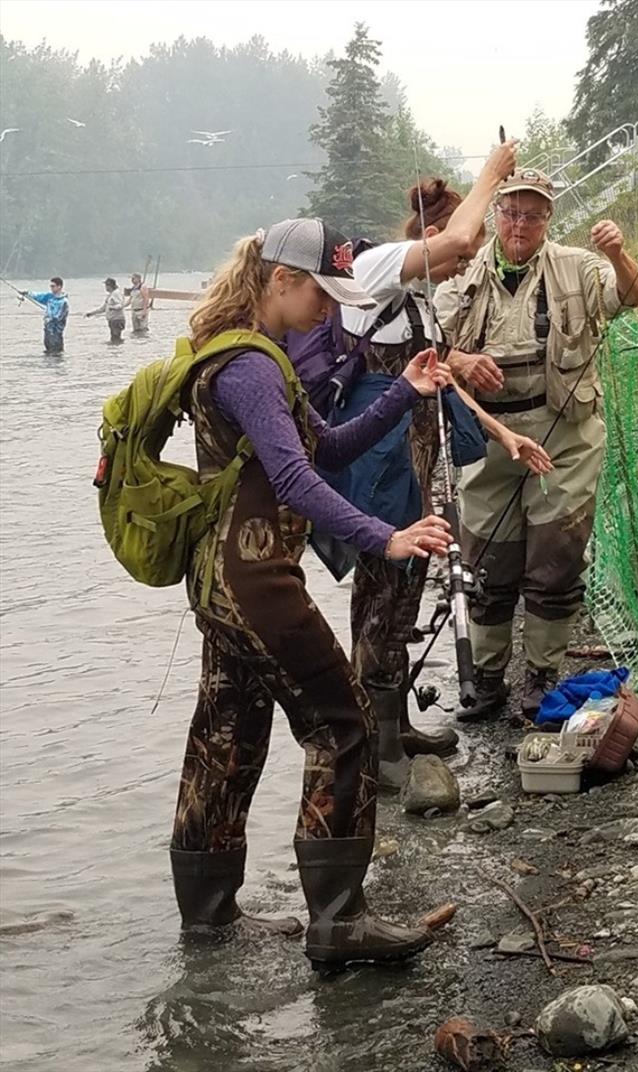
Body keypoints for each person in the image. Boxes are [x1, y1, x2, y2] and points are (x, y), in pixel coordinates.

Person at [171, 216, 455, 971]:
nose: (329, 311)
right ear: (279, 281)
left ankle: (207, 922)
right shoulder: (253, 369)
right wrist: (385, 537)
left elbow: (324, 447)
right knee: (343, 721)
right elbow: (297, 480)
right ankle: (338, 922)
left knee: (226, 733)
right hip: (257, 581)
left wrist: (403, 389)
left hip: (218, 587)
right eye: (320, 295)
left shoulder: (239, 355)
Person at [335, 142, 552, 790]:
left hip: (413, 467)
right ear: (430, 238)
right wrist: (492, 173)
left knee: (404, 597)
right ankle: (374, 752)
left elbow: (444, 383)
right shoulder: (372, 275)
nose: (466, 256)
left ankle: (395, 723)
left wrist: (503, 434)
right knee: (377, 601)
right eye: (460, 249)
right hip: (376, 472)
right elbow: (459, 237)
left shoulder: (420, 303)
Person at [436, 168, 638, 722]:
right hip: (488, 443)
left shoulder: (579, 266)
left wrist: (620, 254)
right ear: (495, 216)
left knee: (555, 563)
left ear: (548, 218)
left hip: (566, 436)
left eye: (533, 214)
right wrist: (460, 360)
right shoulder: (460, 279)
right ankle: (485, 679)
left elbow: (633, 294)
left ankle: (540, 676)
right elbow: (430, 355)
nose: (520, 224)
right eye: (510, 212)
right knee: (487, 567)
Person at [23, 276, 69, 353]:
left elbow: (58, 317)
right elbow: (38, 296)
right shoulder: (50, 296)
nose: (51, 288)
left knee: (56, 353)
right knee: (48, 352)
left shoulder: (64, 302)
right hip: (47, 331)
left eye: (53, 286)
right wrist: (27, 293)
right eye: (50, 286)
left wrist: (48, 315)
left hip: (56, 333)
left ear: (59, 286)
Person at [85, 277, 126, 343]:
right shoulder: (110, 295)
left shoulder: (116, 293)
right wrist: (91, 313)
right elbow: (103, 309)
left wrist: (113, 308)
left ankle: (117, 351)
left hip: (117, 320)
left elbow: (120, 305)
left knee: (116, 339)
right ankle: (116, 351)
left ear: (110, 286)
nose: (105, 287)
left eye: (106, 285)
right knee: (114, 339)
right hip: (112, 320)